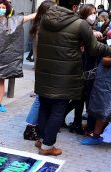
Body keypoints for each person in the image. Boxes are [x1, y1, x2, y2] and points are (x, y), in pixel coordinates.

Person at [34, 0, 111, 155]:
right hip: (65, 74)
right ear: (75, 7)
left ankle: (41, 140)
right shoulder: (79, 24)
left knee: (44, 105)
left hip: (44, 71)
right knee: (58, 109)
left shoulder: (45, 19)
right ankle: (47, 146)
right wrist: (108, 48)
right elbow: (95, 48)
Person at [64, 4, 102, 135]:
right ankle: (76, 123)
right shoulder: (79, 26)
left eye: (95, 12)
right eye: (92, 13)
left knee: (81, 98)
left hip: (91, 68)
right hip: (79, 67)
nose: (94, 15)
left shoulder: (93, 27)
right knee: (79, 98)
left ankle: (77, 123)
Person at [23, 0, 56, 141]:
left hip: (43, 68)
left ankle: (33, 126)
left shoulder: (40, 25)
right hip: (45, 69)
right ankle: (30, 127)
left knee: (41, 98)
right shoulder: (43, 27)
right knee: (39, 98)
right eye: (53, 10)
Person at [81, 55, 111, 145]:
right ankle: (96, 136)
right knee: (103, 109)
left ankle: (96, 136)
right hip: (106, 82)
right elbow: (105, 60)